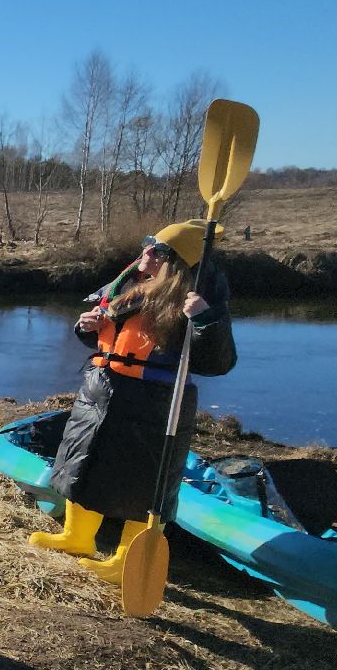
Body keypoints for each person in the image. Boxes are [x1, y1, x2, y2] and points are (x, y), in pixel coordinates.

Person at [33, 221, 238, 578]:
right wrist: (86, 328)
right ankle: (76, 536)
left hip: (154, 402)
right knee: (82, 462)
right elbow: (109, 340)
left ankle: (129, 563)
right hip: (100, 390)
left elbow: (218, 363)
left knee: (142, 484)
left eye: (158, 250)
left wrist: (205, 321)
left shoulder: (194, 301)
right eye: (148, 244)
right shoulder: (128, 287)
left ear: (178, 263)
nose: (146, 253)